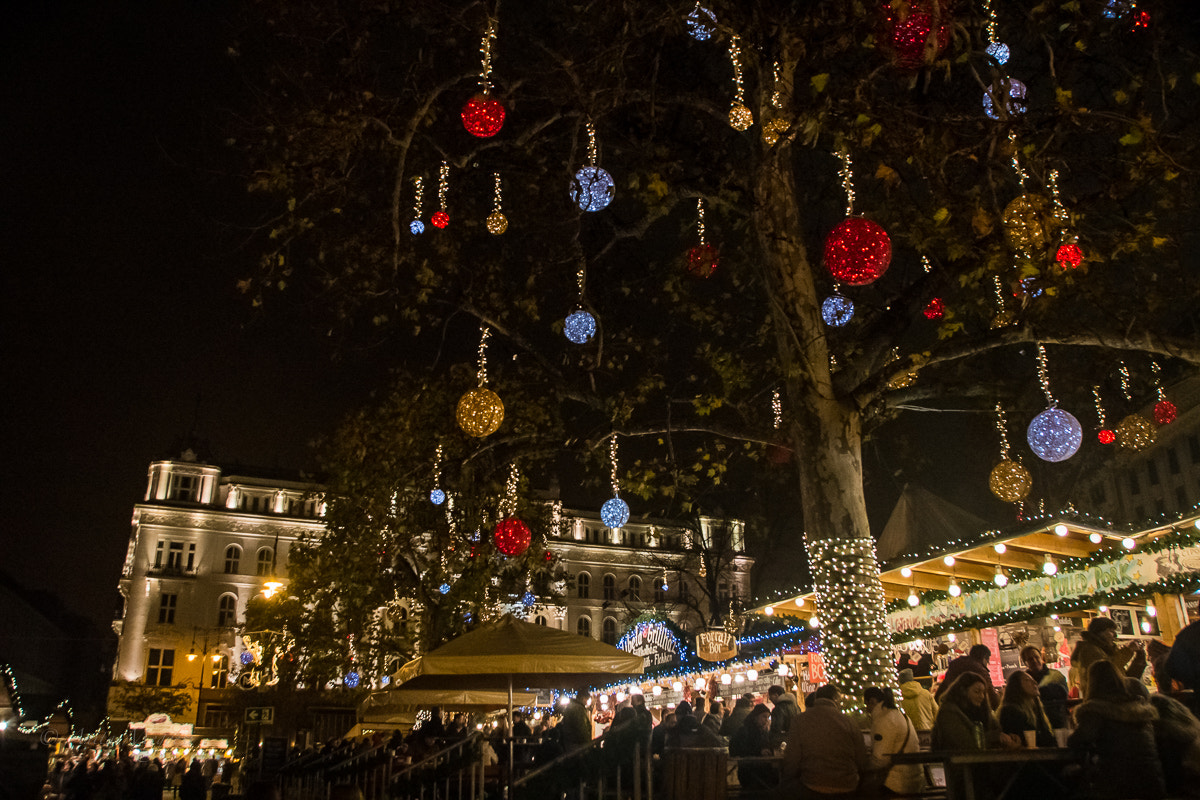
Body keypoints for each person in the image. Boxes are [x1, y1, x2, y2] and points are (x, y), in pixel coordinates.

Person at [1067, 660, 1164, 799]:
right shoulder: (1140, 709)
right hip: (1152, 778)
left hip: (1116, 780)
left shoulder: (1096, 710)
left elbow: (1079, 739)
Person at [779, 684, 867, 799]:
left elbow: (792, 758)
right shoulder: (848, 721)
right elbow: (861, 758)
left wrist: (788, 778)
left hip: (813, 784)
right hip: (847, 785)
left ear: (816, 698)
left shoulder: (800, 721)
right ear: (836, 699)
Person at [931, 672, 1018, 752]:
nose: (982, 696)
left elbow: (996, 730)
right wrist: (995, 737)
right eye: (977, 692)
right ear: (963, 692)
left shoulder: (983, 711)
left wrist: (1009, 738)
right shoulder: (949, 713)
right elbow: (964, 744)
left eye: (984, 692)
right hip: (958, 765)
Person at [863, 686, 923, 796]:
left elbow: (881, 759)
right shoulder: (901, 715)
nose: (867, 710)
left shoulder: (884, 720)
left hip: (896, 782)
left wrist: (862, 766)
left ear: (872, 701)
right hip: (914, 777)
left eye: (867, 705)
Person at [1070, 616, 1142, 699]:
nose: (1115, 635)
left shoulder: (1106, 651)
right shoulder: (1089, 650)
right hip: (1102, 701)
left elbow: (1123, 678)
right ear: (1100, 632)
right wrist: (1128, 650)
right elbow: (1108, 669)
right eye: (1111, 631)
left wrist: (1139, 659)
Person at [996, 670, 1055, 748]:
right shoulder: (1010, 711)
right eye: (1027, 680)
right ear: (1016, 686)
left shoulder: (1037, 710)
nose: (1035, 683)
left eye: (1033, 680)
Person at [1020, 644, 1070, 729]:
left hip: (1058, 723)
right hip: (1036, 725)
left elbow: (1065, 698)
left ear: (1041, 657)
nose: (1034, 660)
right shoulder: (1023, 681)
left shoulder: (1056, 676)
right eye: (1030, 659)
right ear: (1025, 662)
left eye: (1036, 657)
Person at [933, 644, 998, 709]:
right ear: (984, 658)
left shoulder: (955, 665)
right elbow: (991, 697)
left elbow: (941, 691)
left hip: (952, 710)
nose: (988, 664)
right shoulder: (980, 669)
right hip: (971, 712)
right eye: (988, 660)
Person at [729, 704, 775, 793]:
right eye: (764, 717)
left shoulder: (763, 731)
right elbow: (736, 749)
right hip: (750, 772)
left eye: (768, 717)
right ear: (755, 717)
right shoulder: (744, 731)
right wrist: (759, 752)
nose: (766, 720)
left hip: (760, 770)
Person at [768, 684, 799, 750]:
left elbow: (776, 728)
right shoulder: (796, 707)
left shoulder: (778, 709)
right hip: (796, 740)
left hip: (783, 742)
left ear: (776, 695)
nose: (770, 698)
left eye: (770, 696)